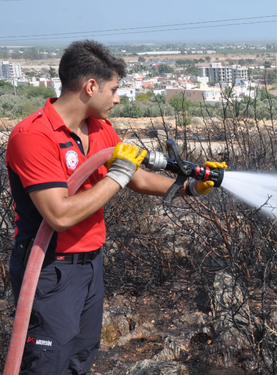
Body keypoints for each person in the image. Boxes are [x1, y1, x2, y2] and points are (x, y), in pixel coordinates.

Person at [6, 40, 221, 375]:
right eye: (114, 89)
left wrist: (191, 187)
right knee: (47, 365)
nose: (118, 99)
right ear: (90, 86)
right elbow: (59, 215)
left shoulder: (100, 128)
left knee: (81, 358)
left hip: (91, 265)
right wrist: (118, 174)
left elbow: (138, 179)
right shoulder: (34, 136)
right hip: (50, 270)